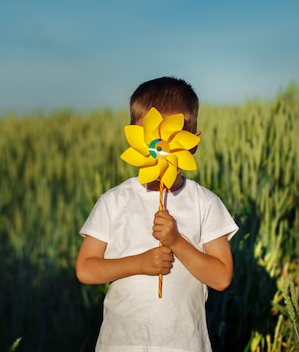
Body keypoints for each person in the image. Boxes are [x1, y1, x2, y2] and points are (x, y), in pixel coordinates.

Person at [75, 76, 239, 352]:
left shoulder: (205, 203)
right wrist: (139, 263)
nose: (159, 149)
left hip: (184, 344)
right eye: (151, 139)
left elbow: (221, 277)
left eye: (168, 140)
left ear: (192, 143)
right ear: (136, 140)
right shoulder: (114, 201)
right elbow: (86, 269)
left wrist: (177, 241)